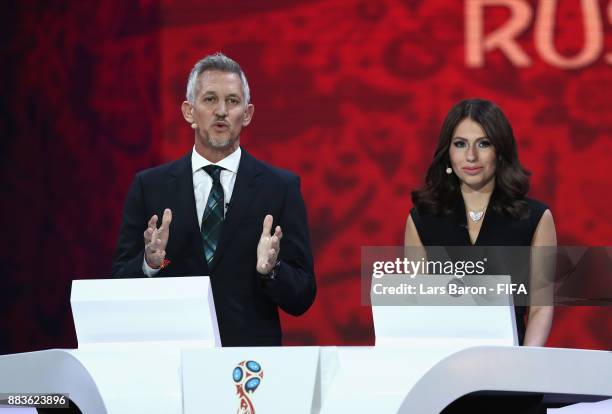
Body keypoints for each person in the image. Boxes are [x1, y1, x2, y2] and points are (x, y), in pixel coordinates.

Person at [111, 53, 316, 347]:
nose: (221, 111)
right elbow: (118, 283)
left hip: (248, 369)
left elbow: (303, 296)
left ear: (247, 114)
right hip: (171, 359)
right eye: (209, 99)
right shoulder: (149, 187)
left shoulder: (280, 188)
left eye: (232, 101)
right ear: (189, 111)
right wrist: (149, 263)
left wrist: (273, 270)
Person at [405, 98, 555, 413]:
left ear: (500, 151)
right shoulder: (422, 219)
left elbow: (542, 305)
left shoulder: (534, 217)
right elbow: (415, 305)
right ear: (448, 152)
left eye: (483, 144)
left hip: (513, 378)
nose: (470, 156)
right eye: (460, 144)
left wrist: (523, 367)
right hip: (444, 381)